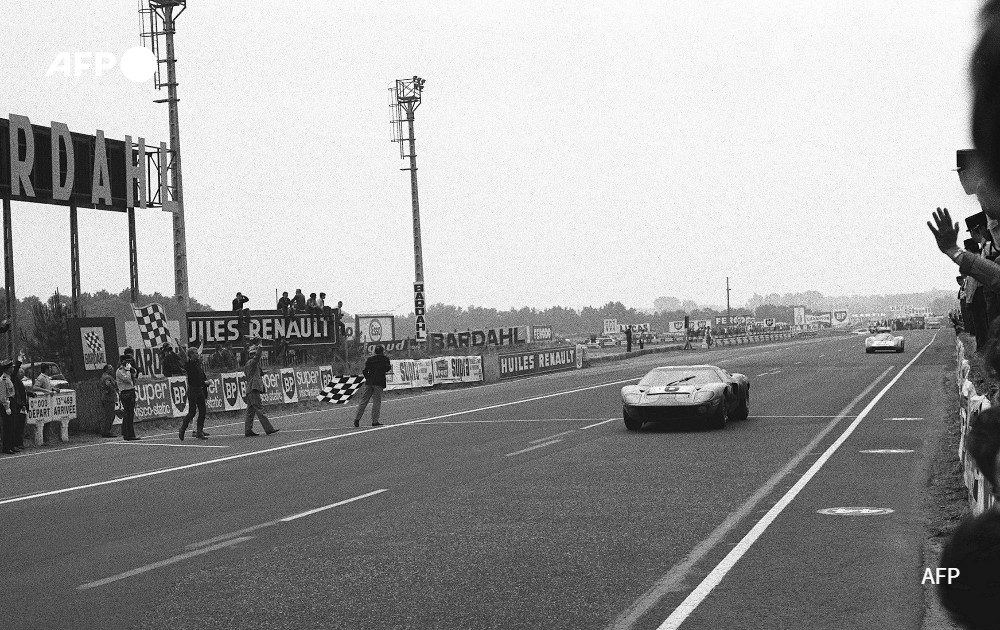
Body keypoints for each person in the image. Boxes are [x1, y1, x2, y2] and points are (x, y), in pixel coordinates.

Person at [242, 338, 278, 437]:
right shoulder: (252, 362)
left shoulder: (248, 364)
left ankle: (248, 430)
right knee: (259, 409)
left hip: (250, 389)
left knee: (250, 411)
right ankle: (269, 429)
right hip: (253, 389)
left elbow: (255, 373)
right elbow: (258, 356)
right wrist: (260, 345)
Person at [354, 345, 393, 428]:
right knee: (376, 402)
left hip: (369, 382)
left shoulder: (370, 359)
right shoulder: (385, 359)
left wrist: (368, 378)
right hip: (379, 382)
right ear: (382, 351)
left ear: (375, 351)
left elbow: (365, 371)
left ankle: (357, 418)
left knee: (364, 400)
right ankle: (375, 421)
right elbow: (387, 368)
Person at [179, 347, 210, 440]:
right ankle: (182, 429)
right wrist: (180, 347)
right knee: (192, 412)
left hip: (200, 390)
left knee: (202, 411)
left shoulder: (197, 364)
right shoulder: (189, 364)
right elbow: (184, 355)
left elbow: (199, 378)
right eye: (196, 353)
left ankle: (199, 431)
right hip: (192, 390)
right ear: (191, 355)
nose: (198, 354)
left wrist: (204, 383)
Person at [117, 355, 140, 441]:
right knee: (128, 414)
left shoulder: (129, 369)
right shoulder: (120, 370)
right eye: (127, 361)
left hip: (131, 391)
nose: (128, 363)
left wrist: (132, 370)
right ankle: (128, 434)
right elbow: (126, 379)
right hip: (125, 393)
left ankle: (129, 433)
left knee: (130, 414)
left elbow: (135, 375)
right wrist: (128, 371)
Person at [10, 360, 28, 449]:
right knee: (16, 425)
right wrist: (18, 363)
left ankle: (19, 442)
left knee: (20, 425)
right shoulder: (12, 379)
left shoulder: (18, 380)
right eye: (20, 372)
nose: (22, 374)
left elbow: (22, 392)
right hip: (17, 405)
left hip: (21, 404)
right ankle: (15, 443)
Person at [0, 361, 15, 454]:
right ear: (8, 369)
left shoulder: (8, 378)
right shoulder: (3, 379)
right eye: (11, 367)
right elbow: (2, 396)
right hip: (6, 404)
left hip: (11, 401)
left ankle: (11, 445)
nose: (13, 369)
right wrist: (6, 407)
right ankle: (6, 447)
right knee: (7, 426)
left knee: (11, 425)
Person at [98, 364, 118, 437]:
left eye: (112, 368)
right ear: (106, 370)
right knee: (110, 416)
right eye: (110, 368)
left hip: (108, 398)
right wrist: (113, 390)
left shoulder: (106, 376)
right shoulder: (107, 377)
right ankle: (106, 432)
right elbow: (108, 386)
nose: (112, 369)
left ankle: (106, 431)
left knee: (110, 416)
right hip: (108, 399)